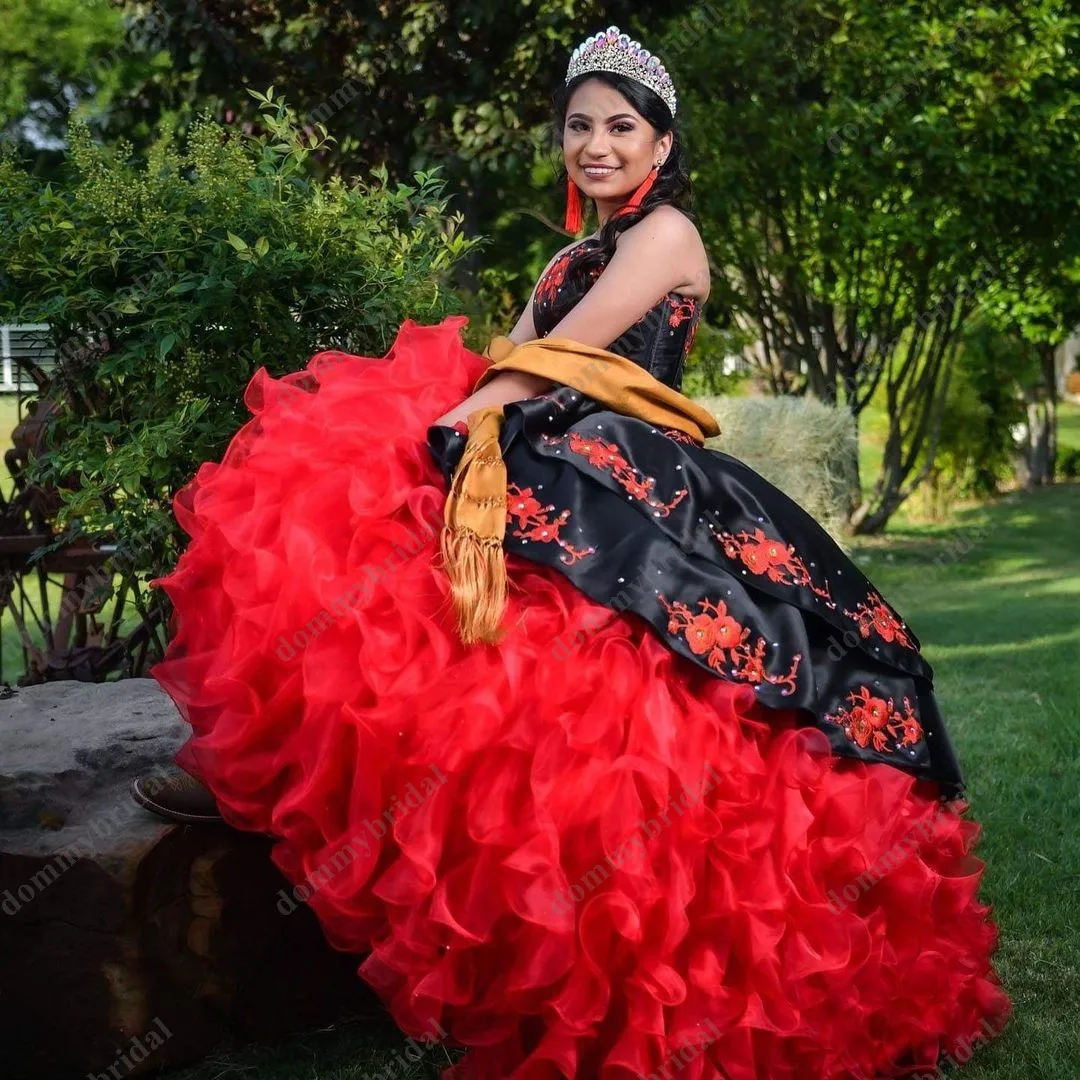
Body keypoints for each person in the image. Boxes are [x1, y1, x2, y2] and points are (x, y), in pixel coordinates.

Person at [132, 25, 1011, 1079]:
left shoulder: (668, 236)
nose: (596, 145)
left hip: (628, 472)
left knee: (623, 681)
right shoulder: (572, 250)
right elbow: (518, 350)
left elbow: (565, 354)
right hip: (552, 445)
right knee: (343, 515)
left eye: (620, 127)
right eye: (580, 126)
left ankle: (660, 964)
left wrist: (454, 420)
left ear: (662, 144)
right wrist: (458, 417)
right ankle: (266, 770)